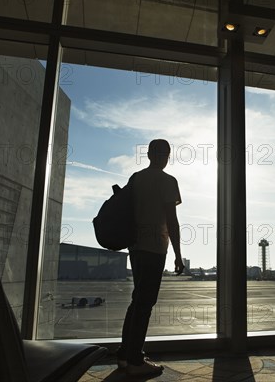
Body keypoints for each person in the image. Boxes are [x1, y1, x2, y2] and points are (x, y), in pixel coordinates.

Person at [116, 139, 184, 377]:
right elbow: (171, 221)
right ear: (166, 155)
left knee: (137, 301)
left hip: (135, 246)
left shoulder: (136, 178)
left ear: (148, 155)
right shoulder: (168, 181)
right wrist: (178, 254)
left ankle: (125, 355)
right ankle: (135, 359)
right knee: (145, 303)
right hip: (155, 247)